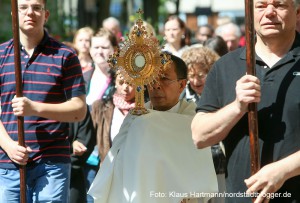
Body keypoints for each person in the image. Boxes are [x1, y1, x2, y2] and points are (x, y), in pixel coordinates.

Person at [191, 0, 300, 202]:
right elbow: (199, 136)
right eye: (261, 5)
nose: (269, 12)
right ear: (250, 13)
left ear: (298, 12)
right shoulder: (225, 66)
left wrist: (283, 170)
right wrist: (237, 107)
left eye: (279, 5)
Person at [88, 54, 218, 203]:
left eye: (164, 79)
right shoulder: (135, 118)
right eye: (152, 79)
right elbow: (117, 162)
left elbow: (197, 168)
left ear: (182, 85)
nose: (156, 85)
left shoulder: (194, 120)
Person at [0, 0, 87, 202]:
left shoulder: (65, 55)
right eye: (23, 7)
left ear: (46, 14)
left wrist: (35, 108)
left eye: (36, 8)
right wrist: (8, 145)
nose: (30, 12)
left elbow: (79, 109)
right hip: (8, 164)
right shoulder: (2, 55)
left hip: (52, 164)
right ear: (15, 13)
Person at [181, 47, 225, 203]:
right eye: (191, 76)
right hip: (192, 165)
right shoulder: (182, 97)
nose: (195, 81)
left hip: (219, 164)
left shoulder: (222, 93)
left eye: (201, 75)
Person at [91, 72, 135, 163]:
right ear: (115, 82)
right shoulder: (100, 108)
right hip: (108, 168)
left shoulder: (148, 110)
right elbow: (88, 136)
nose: (125, 88)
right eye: (121, 82)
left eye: (131, 83)